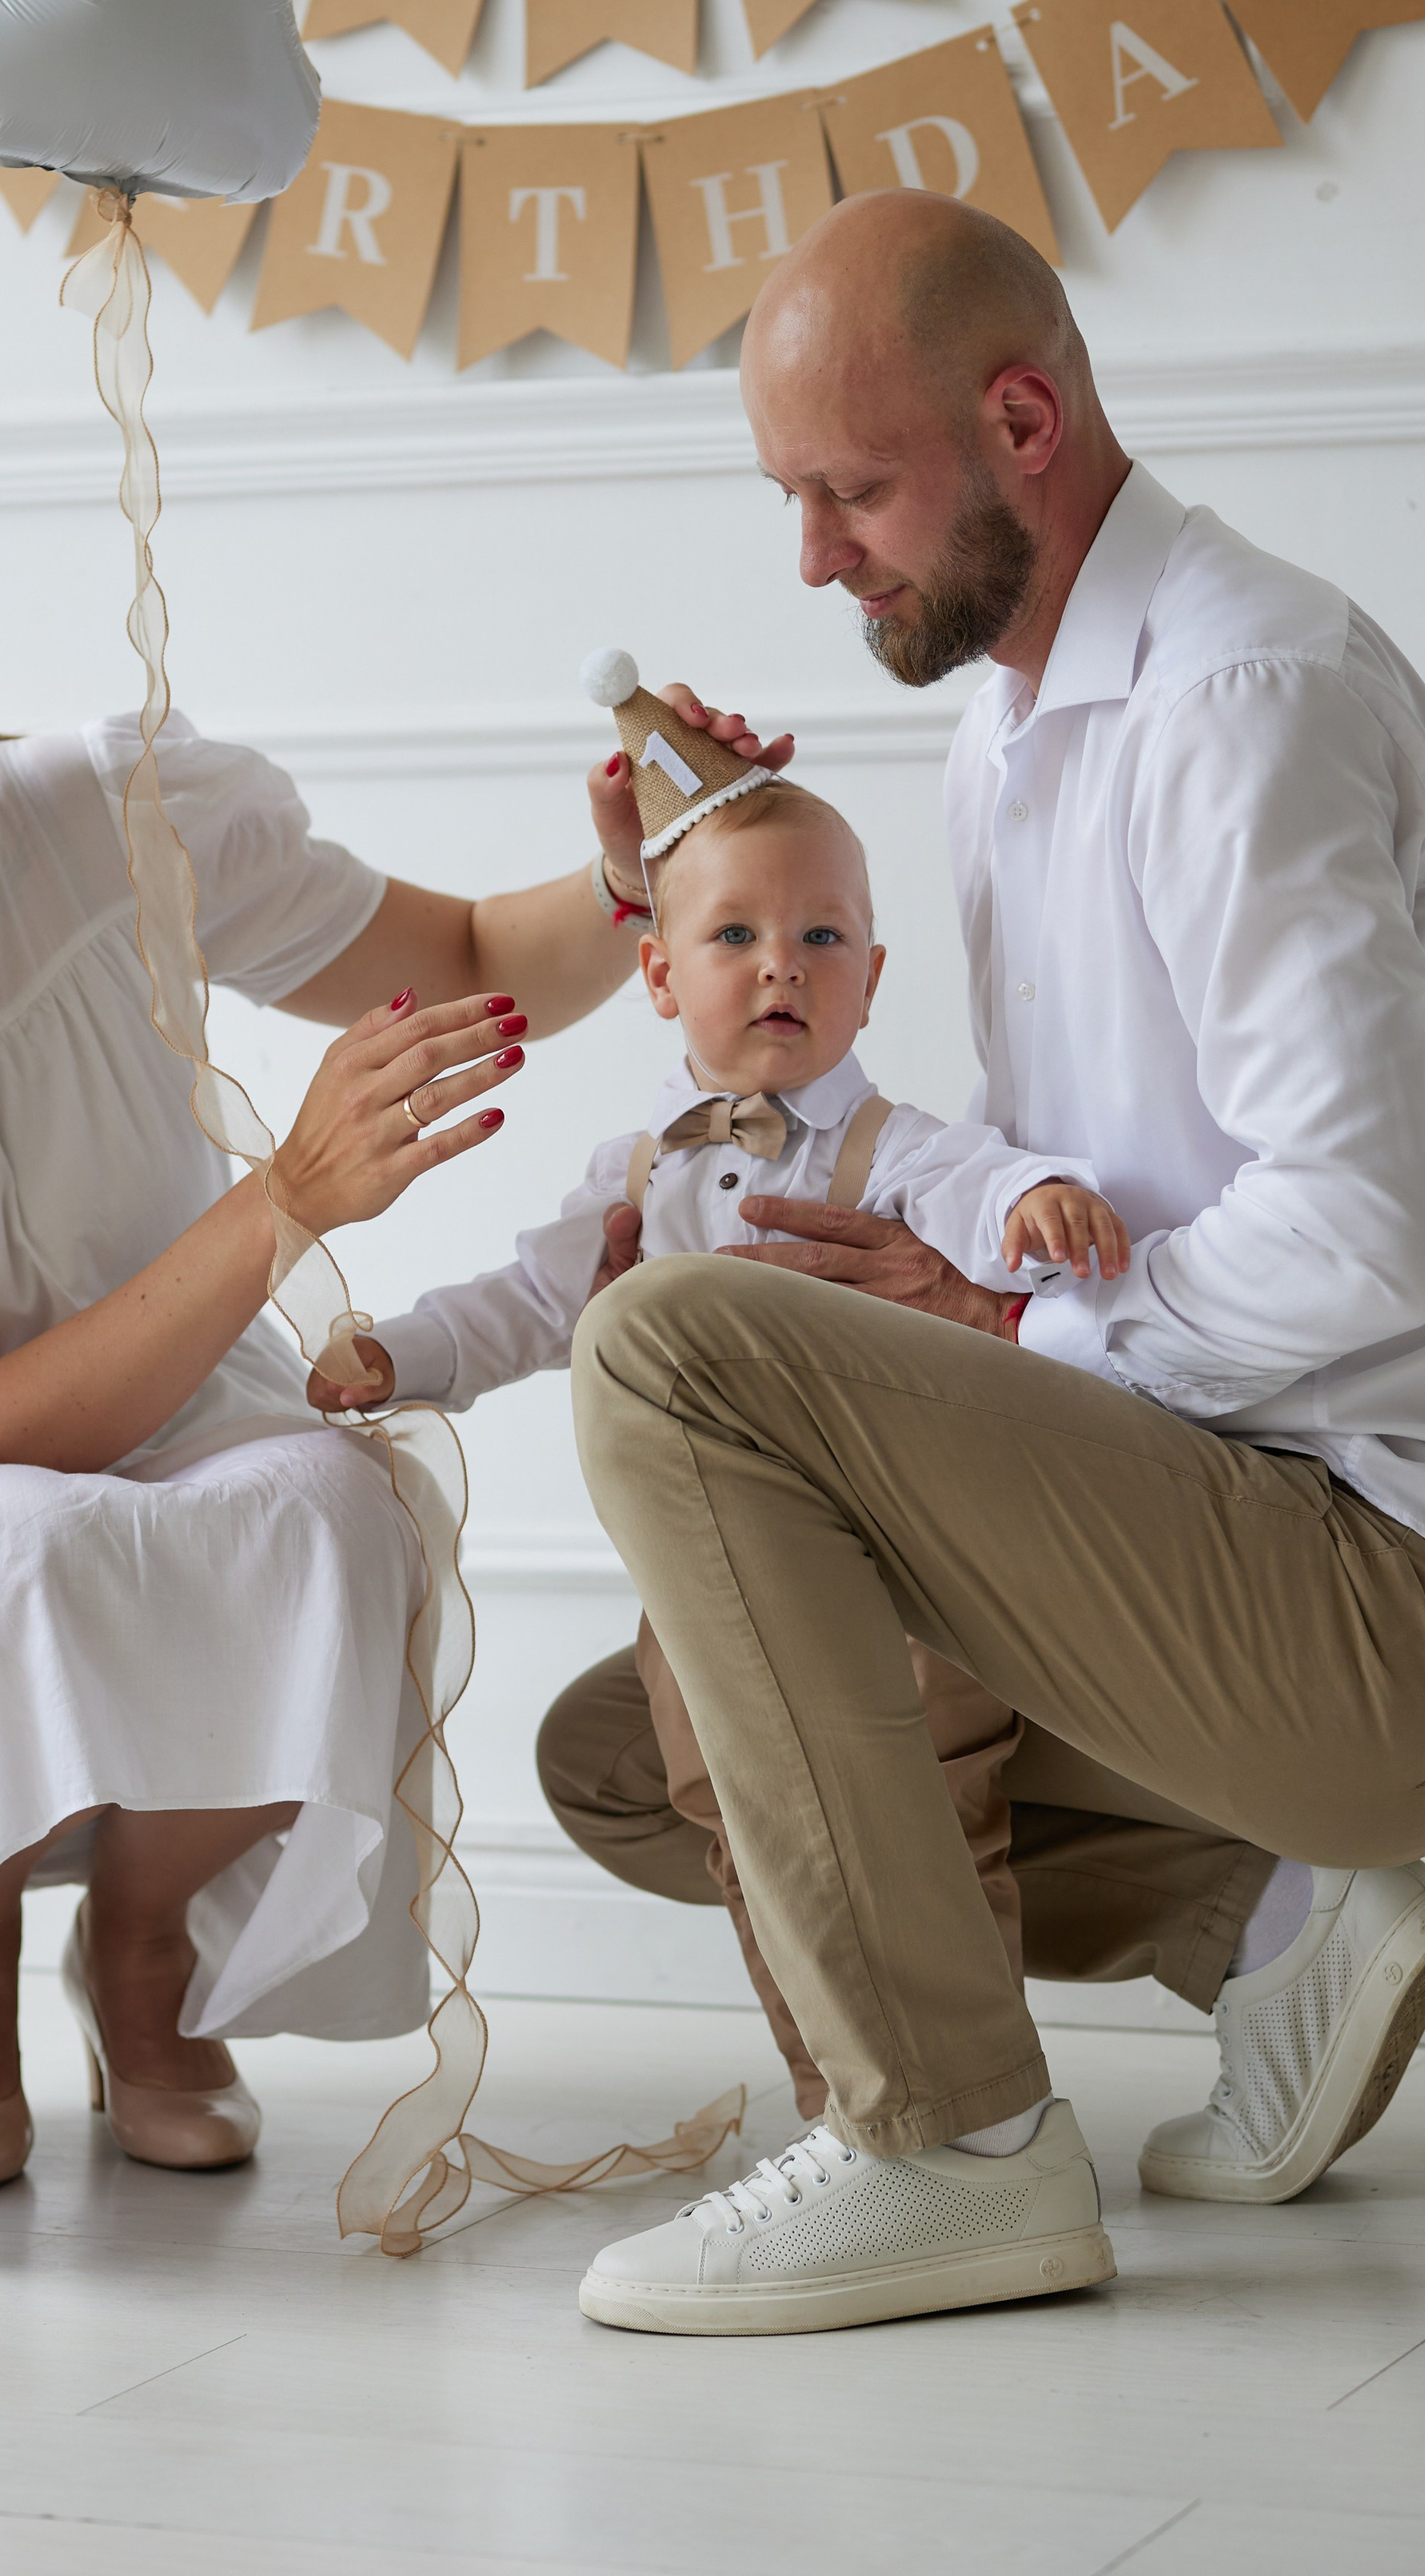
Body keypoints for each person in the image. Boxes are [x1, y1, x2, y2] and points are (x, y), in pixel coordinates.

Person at [0, 421, 783, 2261]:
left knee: (332, 1512)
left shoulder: (104, 821)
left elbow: (453, 957)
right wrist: (282, 1198)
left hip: (181, 1401)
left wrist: (631, 879)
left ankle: (149, 1951)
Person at [561, 190, 1425, 2340]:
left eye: (848, 492)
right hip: (1219, 1538)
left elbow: (1364, 1230)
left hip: (1399, 1599)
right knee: (645, 1747)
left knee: (668, 1360)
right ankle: (1280, 1920)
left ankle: (952, 2147)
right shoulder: (1019, 717)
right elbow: (1051, 1199)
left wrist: (1006, 1327)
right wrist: (689, 912)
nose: (816, 559)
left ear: (1024, 419)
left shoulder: (1240, 699)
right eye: (790, 502)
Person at [313, 725, 1128, 2111]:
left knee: (938, 1824)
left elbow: (976, 1185)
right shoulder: (637, 1176)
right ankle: (849, 2108)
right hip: (708, 1592)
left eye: (822, 937)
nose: (780, 965)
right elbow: (524, 1301)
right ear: (659, 973)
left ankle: (988, 2112)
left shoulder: (894, 1154)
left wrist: (1033, 1203)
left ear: (872, 981)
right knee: (750, 1831)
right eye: (737, 933)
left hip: (907, 1584)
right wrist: (400, 1353)